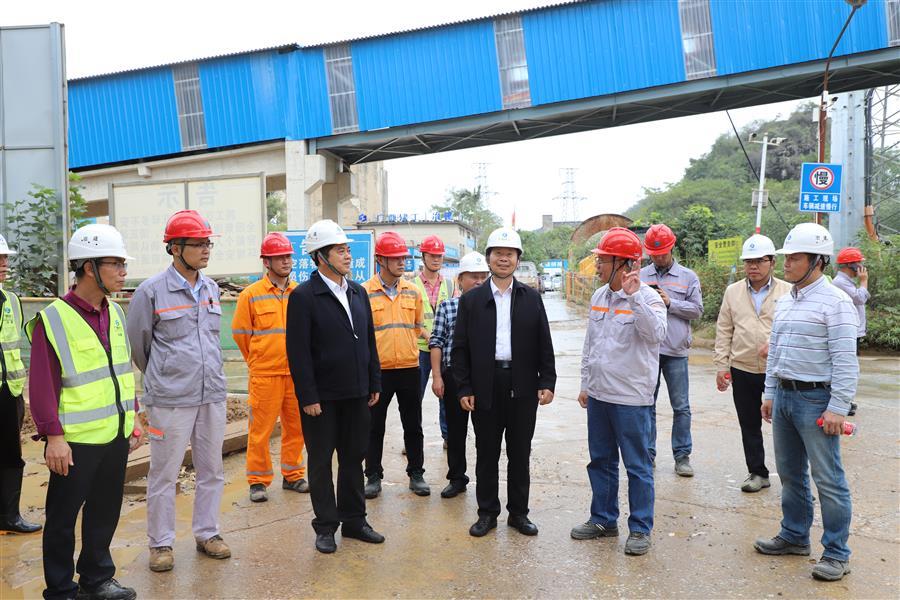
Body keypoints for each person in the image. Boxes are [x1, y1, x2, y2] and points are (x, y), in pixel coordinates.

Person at [28, 225, 140, 600]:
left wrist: (133, 416)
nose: (123, 271)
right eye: (116, 264)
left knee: (105, 510)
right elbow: (43, 385)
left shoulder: (116, 312)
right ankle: (61, 589)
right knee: (62, 518)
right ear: (89, 268)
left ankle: (97, 578)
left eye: (123, 264)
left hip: (115, 432)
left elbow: (122, 370)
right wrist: (54, 437)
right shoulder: (54, 318)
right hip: (74, 441)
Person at [754, 223, 859, 582]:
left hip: (817, 400)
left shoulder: (837, 303)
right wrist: (770, 393)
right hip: (784, 396)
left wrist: (838, 407)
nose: (786, 264)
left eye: (794, 258)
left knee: (828, 479)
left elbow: (845, 360)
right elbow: (775, 352)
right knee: (790, 474)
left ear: (818, 261)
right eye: (786, 258)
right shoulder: (786, 300)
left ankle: (837, 553)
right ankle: (795, 536)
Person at [127, 210, 230, 573]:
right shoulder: (150, 291)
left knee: (212, 469)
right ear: (174, 248)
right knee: (164, 473)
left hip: (211, 394)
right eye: (197, 244)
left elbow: (211, 341)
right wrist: (167, 375)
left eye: (207, 243)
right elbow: (139, 347)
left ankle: (208, 533)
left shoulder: (211, 288)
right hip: (170, 399)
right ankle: (160, 543)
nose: (206, 249)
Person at [286, 219, 384, 554]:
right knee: (320, 462)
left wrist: (373, 380)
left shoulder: (357, 292)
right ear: (320, 256)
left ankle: (355, 521)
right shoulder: (304, 297)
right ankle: (326, 526)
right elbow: (298, 352)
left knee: (354, 458)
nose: (347, 255)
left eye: (347, 250)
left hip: (357, 393)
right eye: (340, 250)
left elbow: (368, 340)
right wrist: (308, 395)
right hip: (322, 399)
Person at [452, 227, 556, 538]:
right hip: (485, 383)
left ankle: (519, 513)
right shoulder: (471, 300)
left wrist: (547, 380)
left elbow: (544, 342)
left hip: (522, 384)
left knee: (519, 452)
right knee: (486, 452)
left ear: (517, 259)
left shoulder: (531, 298)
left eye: (509, 254)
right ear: (489, 258)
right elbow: (460, 348)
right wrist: (464, 386)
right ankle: (487, 513)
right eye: (498, 253)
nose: (503, 259)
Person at [570, 228, 667, 556]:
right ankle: (603, 519)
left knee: (637, 466)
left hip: (631, 400)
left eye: (603, 259)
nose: (597, 265)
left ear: (625, 264)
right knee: (601, 461)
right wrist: (586, 383)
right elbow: (591, 343)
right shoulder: (599, 296)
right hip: (599, 396)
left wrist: (634, 297)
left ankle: (640, 528)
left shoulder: (649, 297)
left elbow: (656, 335)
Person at [232, 232, 308, 503]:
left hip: (296, 374)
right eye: (279, 257)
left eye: (288, 256)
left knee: (296, 428)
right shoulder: (251, 295)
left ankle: (293, 474)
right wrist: (259, 359)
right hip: (265, 374)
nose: (286, 261)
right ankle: (258, 480)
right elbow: (241, 334)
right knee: (260, 431)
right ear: (267, 261)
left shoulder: (300, 293)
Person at [714, 235, 791, 493]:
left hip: (778, 370)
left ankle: (794, 483)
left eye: (759, 261)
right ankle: (758, 473)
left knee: (786, 427)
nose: (753, 266)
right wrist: (722, 366)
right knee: (749, 424)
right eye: (749, 261)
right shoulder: (733, 292)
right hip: (743, 368)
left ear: (772, 262)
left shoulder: (788, 291)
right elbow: (724, 330)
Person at [362, 232, 430, 499]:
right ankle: (373, 475)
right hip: (378, 371)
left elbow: (417, 326)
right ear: (380, 260)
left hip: (410, 367)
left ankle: (416, 473)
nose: (402, 262)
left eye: (403, 257)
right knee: (373, 426)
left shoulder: (413, 291)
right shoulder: (364, 292)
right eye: (395, 258)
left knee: (413, 425)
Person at [640, 224, 703, 476]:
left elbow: (697, 310)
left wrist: (670, 303)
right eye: (654, 254)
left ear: (672, 247)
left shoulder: (688, 277)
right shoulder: (640, 276)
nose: (658, 258)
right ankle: (648, 454)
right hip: (648, 352)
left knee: (681, 406)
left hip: (676, 352)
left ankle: (682, 456)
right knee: (647, 404)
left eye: (662, 253)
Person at [428, 252, 489, 499]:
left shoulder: (494, 307)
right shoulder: (448, 307)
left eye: (483, 276)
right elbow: (436, 342)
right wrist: (437, 377)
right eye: (473, 276)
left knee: (485, 433)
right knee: (455, 431)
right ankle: (457, 478)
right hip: (454, 377)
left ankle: (486, 480)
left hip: (484, 378)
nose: (479, 281)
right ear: (460, 279)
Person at [0, 234, 41, 535]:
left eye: (5, 257)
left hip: (9, 392)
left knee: (11, 455)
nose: (4, 263)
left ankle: (9, 516)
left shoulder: (11, 300)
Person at [413, 235, 455, 449]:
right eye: (432, 255)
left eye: (439, 255)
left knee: (445, 394)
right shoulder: (411, 285)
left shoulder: (449, 284)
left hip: (443, 349)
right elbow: (411, 318)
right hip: (420, 349)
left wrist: (440, 340)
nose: (436, 259)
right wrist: (428, 337)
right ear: (423, 256)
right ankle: (412, 438)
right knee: (414, 397)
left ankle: (448, 437)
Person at [832, 247, 870, 341]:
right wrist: (864, 281)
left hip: (853, 331)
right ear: (850, 264)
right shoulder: (840, 282)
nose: (861, 266)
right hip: (849, 332)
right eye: (859, 262)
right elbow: (860, 299)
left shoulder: (846, 281)